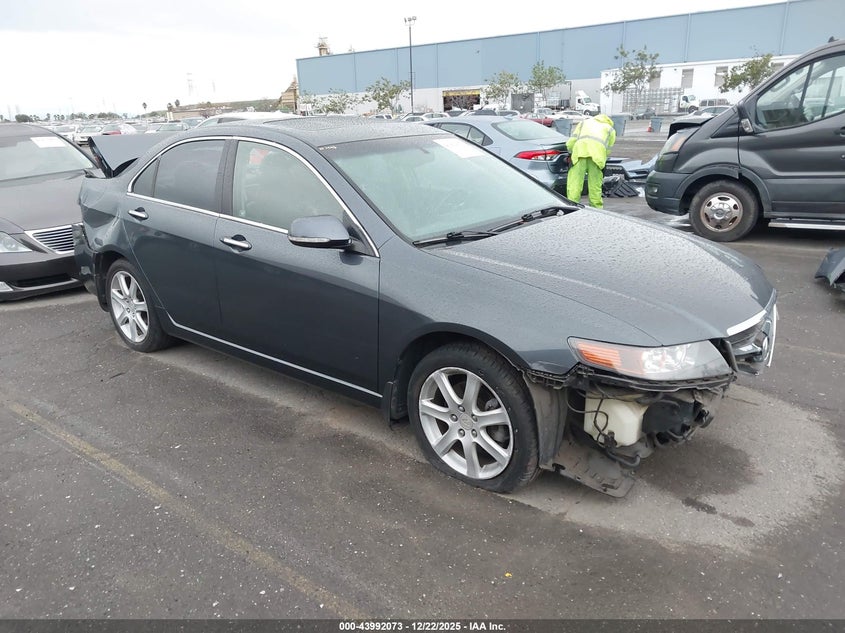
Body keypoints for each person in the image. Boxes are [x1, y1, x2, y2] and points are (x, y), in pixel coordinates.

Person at [565, 113, 616, 208]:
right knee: (595, 186)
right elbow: (608, 150)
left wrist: (570, 152)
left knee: (574, 184)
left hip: (579, 154)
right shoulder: (610, 129)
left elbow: (572, 141)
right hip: (597, 158)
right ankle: (597, 210)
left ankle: (571, 207)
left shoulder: (584, 123)